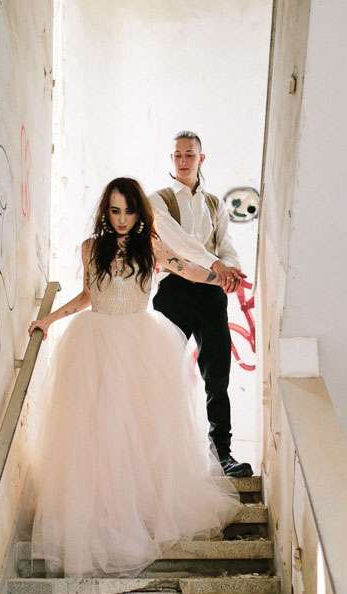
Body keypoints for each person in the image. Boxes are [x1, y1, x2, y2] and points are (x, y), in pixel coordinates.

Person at [24, 177, 240, 578]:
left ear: (139, 212)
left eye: (128, 210)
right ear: (105, 212)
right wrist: (49, 320)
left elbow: (188, 270)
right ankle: (104, 516)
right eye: (115, 211)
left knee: (141, 432)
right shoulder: (90, 248)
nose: (122, 219)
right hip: (96, 342)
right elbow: (88, 295)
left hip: (140, 343)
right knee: (98, 432)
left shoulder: (151, 246)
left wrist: (221, 277)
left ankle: (141, 513)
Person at [148, 130, 252, 478]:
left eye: (189, 154)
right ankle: (159, 456)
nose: (183, 161)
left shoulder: (215, 204)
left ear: (201, 158)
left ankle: (222, 455)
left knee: (218, 373)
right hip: (173, 291)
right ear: (172, 158)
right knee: (164, 374)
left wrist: (230, 270)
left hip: (210, 293)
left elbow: (226, 245)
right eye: (177, 155)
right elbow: (179, 243)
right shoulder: (158, 200)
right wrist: (217, 266)